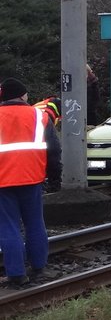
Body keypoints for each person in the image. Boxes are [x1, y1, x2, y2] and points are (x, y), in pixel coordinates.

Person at [0, 77, 62, 288]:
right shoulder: (40, 115)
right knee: (35, 222)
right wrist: (54, 177)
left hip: (3, 182)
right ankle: (39, 267)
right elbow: (54, 150)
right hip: (32, 178)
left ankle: (16, 274)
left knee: (8, 227)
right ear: (22, 95)